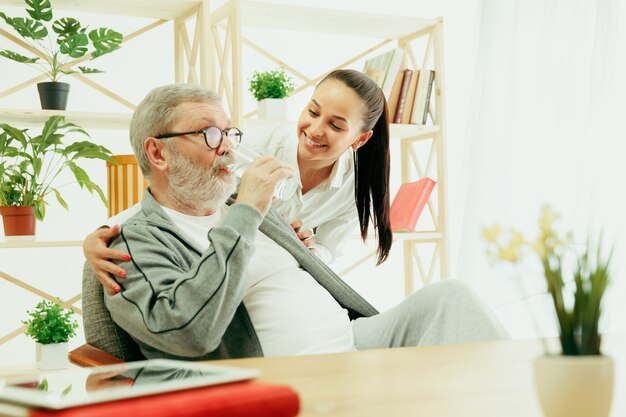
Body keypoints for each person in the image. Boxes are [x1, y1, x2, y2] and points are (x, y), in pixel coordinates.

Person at [86, 82, 508, 361]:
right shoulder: (132, 243)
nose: (228, 149)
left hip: (353, 344)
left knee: (452, 298)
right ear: (158, 153)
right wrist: (248, 212)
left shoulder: (240, 205)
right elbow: (189, 334)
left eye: (229, 133)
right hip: (294, 376)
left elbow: (316, 258)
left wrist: (295, 242)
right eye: (209, 135)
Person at [84, 69, 392, 295]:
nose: (315, 129)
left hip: (283, 280)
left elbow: (327, 254)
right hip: (226, 268)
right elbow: (176, 196)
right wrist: (101, 233)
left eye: (336, 125)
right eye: (312, 111)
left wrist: (306, 250)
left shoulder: (356, 187)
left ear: (360, 139)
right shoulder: (251, 145)